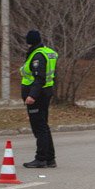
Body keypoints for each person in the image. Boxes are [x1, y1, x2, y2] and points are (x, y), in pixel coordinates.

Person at [21, 29, 58, 168]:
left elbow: (39, 77)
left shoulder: (38, 56)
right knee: (44, 126)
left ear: (30, 40)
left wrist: (32, 95)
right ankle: (50, 158)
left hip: (38, 95)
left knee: (39, 127)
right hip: (45, 92)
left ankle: (41, 159)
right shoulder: (45, 51)